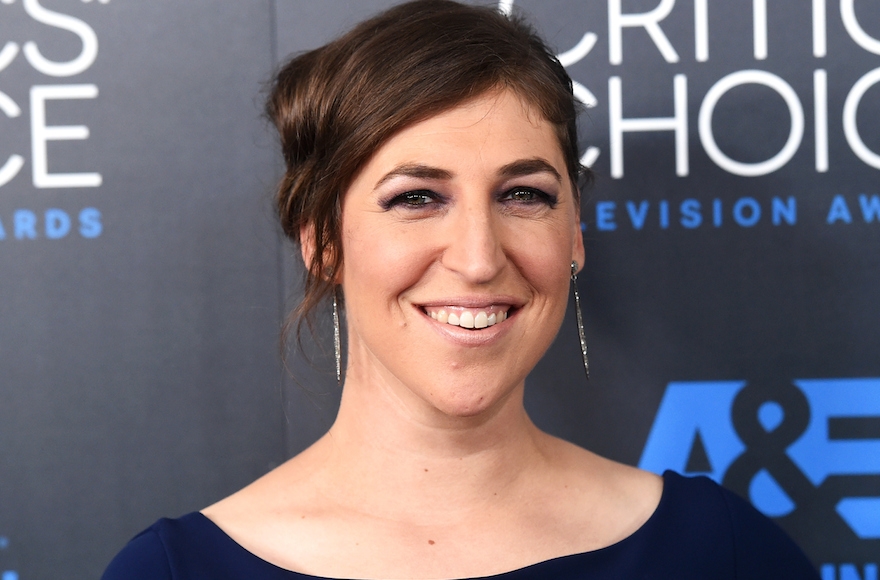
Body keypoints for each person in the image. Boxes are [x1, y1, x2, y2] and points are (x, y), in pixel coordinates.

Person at [103, 1, 820, 578]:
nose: (478, 259)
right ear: (322, 241)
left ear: (573, 236)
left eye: (523, 195)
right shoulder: (176, 570)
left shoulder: (720, 553)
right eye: (416, 198)